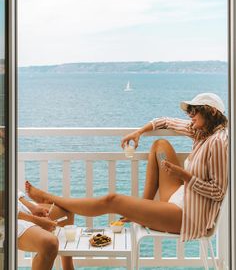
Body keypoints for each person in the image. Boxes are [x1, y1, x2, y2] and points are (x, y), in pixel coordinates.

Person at [25, 93, 228, 242]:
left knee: (112, 200)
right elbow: (165, 121)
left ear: (211, 112)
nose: (190, 115)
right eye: (189, 111)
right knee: (160, 145)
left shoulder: (218, 141)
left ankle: (50, 199)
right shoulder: (202, 131)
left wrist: (183, 175)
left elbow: (218, 192)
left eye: (195, 111)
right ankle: (144, 208)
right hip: (181, 197)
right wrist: (139, 132)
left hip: (189, 215)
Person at [17, 190, 74, 270]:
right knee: (49, 243)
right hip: (7, 218)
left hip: (17, 207)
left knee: (66, 212)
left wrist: (33, 208)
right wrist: (36, 220)